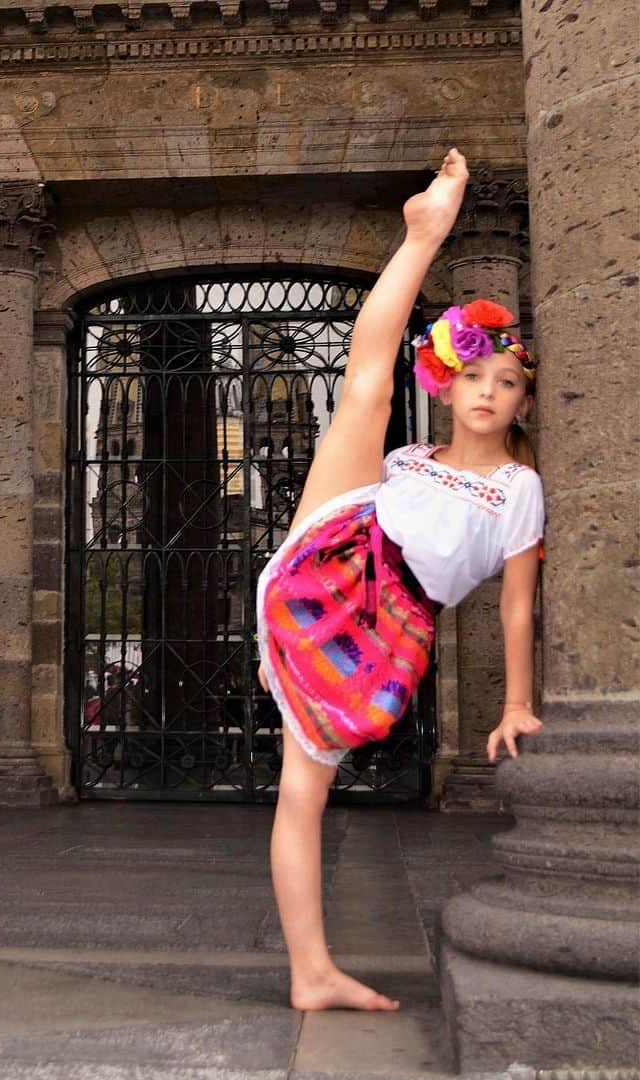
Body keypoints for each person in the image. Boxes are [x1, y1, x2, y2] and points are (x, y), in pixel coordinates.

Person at [254, 147, 545, 1012]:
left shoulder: (518, 488)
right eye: (477, 378)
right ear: (451, 389)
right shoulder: (411, 454)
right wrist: (427, 239)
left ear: (524, 402)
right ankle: (422, 235)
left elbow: (518, 605)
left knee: (300, 793)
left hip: (383, 624)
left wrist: (515, 702)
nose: (489, 393)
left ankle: (311, 973)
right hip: (339, 550)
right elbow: (373, 384)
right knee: (363, 392)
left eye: (508, 384)